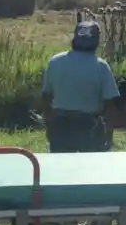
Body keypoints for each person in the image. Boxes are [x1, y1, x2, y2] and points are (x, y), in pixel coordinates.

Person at [41, 20, 121, 153]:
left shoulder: (55, 61)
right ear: (96, 42)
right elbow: (110, 105)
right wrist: (109, 134)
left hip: (60, 126)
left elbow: (46, 97)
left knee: (61, 163)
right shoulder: (101, 66)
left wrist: (49, 125)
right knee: (90, 165)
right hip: (89, 127)